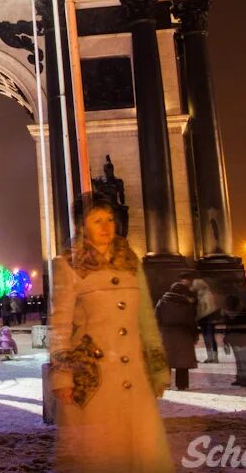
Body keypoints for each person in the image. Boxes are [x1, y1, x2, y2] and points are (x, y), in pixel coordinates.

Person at [49, 195, 172, 472]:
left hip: (135, 373)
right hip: (93, 376)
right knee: (100, 453)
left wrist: (157, 367)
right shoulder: (69, 264)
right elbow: (60, 325)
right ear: (83, 226)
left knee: (142, 448)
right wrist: (62, 375)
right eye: (97, 221)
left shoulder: (131, 262)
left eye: (109, 220)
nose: (105, 227)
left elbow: (146, 320)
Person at [155, 276, 199, 390]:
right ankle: (182, 384)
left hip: (166, 333)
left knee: (166, 360)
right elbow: (191, 321)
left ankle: (165, 382)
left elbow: (156, 319)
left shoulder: (162, 303)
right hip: (183, 334)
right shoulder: (186, 305)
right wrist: (194, 335)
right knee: (182, 362)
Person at [221, 295, 246, 387]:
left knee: (243, 359)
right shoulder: (237, 312)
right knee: (239, 359)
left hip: (245, 339)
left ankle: (245, 378)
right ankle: (240, 377)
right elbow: (229, 327)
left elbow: (234, 325)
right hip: (238, 339)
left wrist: (227, 316)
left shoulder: (242, 313)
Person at [190, 273, 220, 363]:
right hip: (203, 319)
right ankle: (210, 356)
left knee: (210, 337)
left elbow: (210, 308)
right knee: (207, 338)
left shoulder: (207, 294)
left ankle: (214, 357)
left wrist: (200, 316)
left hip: (208, 318)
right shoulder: (199, 295)